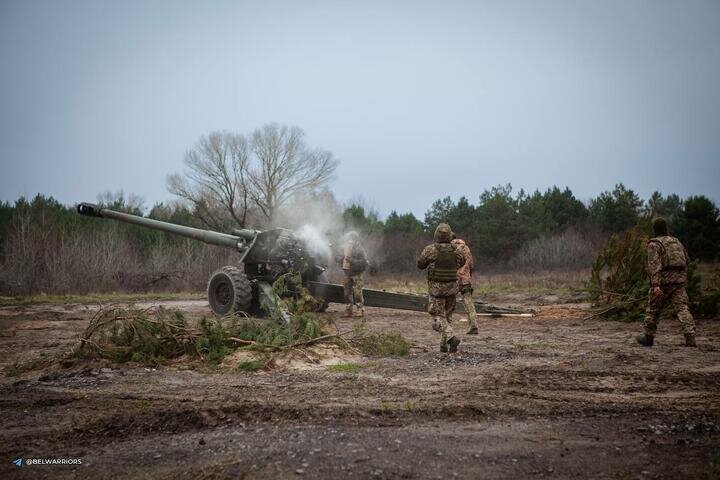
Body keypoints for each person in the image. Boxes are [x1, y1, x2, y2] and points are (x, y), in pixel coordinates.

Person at [636, 217, 697, 347]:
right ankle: (690, 337)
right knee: (682, 309)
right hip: (679, 282)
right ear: (666, 228)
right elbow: (687, 260)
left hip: (663, 284)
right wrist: (680, 277)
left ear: (655, 229)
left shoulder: (654, 244)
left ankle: (648, 337)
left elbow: (654, 266)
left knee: (653, 309)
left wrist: (656, 285)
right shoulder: (676, 241)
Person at [417, 223, 466, 353]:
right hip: (452, 288)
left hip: (437, 290)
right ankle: (444, 346)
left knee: (437, 317)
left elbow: (420, 264)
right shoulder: (457, 250)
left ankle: (451, 337)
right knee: (448, 317)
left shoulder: (430, 249)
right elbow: (462, 262)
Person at [336, 231, 369, 318]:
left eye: (352, 238)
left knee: (357, 293)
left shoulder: (360, 249)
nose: (350, 240)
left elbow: (364, 262)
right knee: (347, 293)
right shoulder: (345, 247)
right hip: (347, 273)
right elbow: (337, 257)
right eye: (349, 238)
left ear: (356, 239)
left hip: (357, 274)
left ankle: (359, 310)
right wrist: (342, 258)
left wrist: (351, 260)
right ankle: (348, 310)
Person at [451, 237, 479, 335]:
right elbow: (471, 265)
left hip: (452, 280)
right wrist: (468, 275)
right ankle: (473, 324)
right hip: (465, 280)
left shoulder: (450, 248)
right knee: (468, 302)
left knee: (448, 302)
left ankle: (447, 326)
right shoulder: (466, 248)